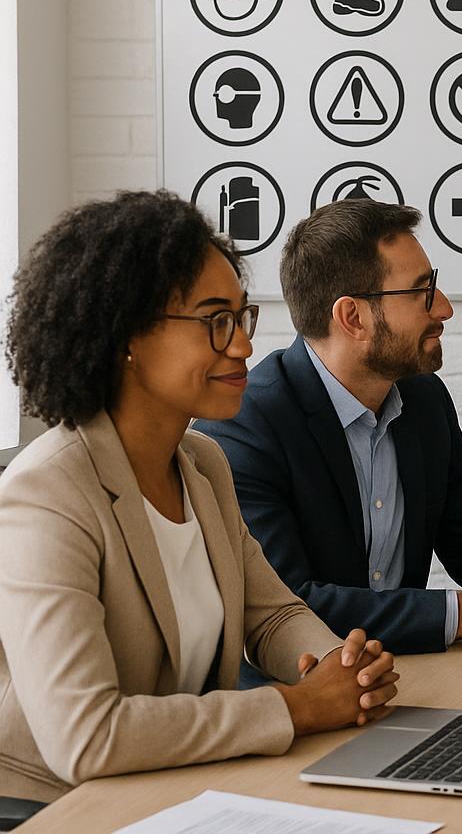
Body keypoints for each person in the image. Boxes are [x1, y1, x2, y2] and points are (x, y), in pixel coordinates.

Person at [0, 191, 399, 810]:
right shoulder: (46, 494)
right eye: (215, 320)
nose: (242, 346)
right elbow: (84, 738)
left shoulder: (201, 463)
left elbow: (271, 616)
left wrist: (338, 666)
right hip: (54, 805)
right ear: (126, 335)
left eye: (243, 317)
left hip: (180, 785)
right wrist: (295, 706)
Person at [198, 201, 462, 663]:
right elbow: (287, 605)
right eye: (422, 292)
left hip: (406, 672)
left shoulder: (423, 400)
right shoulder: (244, 426)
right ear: (353, 317)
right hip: (299, 692)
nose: (445, 308)